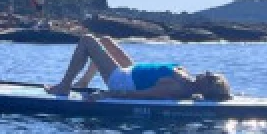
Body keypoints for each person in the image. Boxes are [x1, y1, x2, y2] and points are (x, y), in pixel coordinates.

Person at [46, 34, 232, 100]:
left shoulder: (177, 87)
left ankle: (64, 86)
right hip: (132, 71)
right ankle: (83, 82)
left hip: (122, 80)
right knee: (105, 41)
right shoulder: (187, 80)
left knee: (87, 40)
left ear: (206, 88)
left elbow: (142, 95)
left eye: (210, 77)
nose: (207, 72)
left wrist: (107, 94)